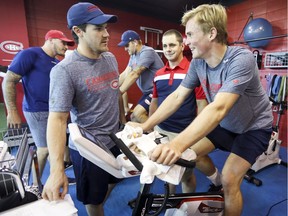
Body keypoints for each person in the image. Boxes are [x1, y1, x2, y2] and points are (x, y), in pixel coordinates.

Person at [129, 4, 273, 216]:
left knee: (229, 179)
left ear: (211, 33)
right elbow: (177, 96)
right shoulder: (198, 63)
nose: (185, 41)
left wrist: (176, 144)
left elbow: (218, 108)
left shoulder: (240, 59)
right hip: (226, 126)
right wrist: (145, 126)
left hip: (253, 128)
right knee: (187, 156)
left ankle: (223, 189)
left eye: (189, 34)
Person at [41, 2, 124, 216]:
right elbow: (58, 120)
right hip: (89, 150)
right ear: (78, 31)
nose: (106, 34)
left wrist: (123, 124)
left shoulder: (110, 58)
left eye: (106, 28)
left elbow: (115, 94)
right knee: (93, 203)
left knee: (115, 180)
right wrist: (57, 169)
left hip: (115, 140)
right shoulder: (65, 70)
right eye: (98, 29)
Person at [150, 29, 221, 193]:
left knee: (186, 176)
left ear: (182, 46)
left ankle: (186, 204)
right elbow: (155, 102)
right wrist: (152, 126)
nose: (168, 49)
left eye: (172, 45)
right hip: (161, 131)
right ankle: (170, 200)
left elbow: (202, 105)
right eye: (165, 45)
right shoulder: (158, 74)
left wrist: (197, 134)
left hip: (183, 132)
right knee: (167, 171)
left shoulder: (193, 70)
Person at [2, 29, 74, 186]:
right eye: (63, 42)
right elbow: (8, 80)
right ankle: (34, 185)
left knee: (57, 146)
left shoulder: (57, 62)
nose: (66, 47)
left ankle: (59, 176)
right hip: (37, 110)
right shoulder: (30, 54)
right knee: (44, 149)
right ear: (51, 40)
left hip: (54, 111)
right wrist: (12, 111)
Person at [118, 30, 164, 123]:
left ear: (135, 42)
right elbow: (126, 73)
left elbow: (135, 74)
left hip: (158, 90)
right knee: (133, 118)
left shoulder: (147, 51)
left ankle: (157, 134)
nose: (125, 49)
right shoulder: (133, 56)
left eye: (127, 45)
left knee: (137, 114)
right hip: (148, 92)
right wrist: (112, 87)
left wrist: (119, 92)